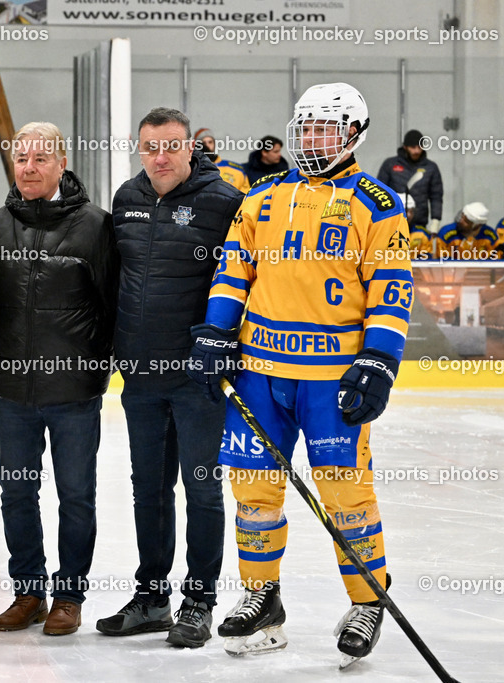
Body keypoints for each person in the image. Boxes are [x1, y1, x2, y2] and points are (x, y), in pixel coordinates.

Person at [187, 82, 412, 667]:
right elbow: (234, 269)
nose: (313, 139)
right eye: (306, 127)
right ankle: (263, 598)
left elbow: (391, 288)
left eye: (326, 129)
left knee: (345, 492)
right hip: (260, 373)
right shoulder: (261, 197)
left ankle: (367, 600)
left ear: (354, 135)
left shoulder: (378, 202)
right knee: (254, 492)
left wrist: (378, 361)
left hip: (331, 380)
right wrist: (215, 334)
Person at [96, 107, 242, 648]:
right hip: (141, 372)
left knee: (202, 491)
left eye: (171, 146)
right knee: (148, 491)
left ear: (190, 148)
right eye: (150, 147)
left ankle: (199, 601)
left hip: (197, 376)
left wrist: (223, 351)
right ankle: (152, 597)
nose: (160, 157)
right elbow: (116, 281)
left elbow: (241, 282)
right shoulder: (127, 199)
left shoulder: (225, 201)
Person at [0, 122, 117, 636]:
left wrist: (91, 361)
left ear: (62, 162)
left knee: (76, 495)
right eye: (21, 160)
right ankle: (28, 590)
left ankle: (69, 595)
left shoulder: (96, 227)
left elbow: (112, 305)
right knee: (16, 493)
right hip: (12, 390)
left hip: (74, 391)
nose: (29, 168)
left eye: (40, 159)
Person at [377, 129, 443, 234]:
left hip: (419, 223)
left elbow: (436, 195)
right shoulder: (390, 164)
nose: (417, 151)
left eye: (420, 147)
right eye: (413, 147)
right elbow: (379, 192)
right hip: (393, 221)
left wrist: (436, 219)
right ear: (405, 147)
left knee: (420, 249)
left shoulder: (431, 168)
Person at [195, 128, 250, 193]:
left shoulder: (237, 170)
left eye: (210, 142)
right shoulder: (191, 169)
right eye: (203, 143)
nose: (207, 145)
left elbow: (246, 198)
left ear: (214, 144)